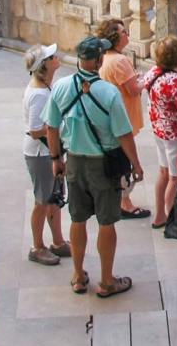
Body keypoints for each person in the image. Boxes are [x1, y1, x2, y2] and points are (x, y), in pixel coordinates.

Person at [45, 35, 143, 298]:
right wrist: (136, 164)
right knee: (106, 221)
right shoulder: (109, 92)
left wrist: (56, 159)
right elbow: (124, 133)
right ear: (100, 60)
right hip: (104, 164)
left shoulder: (61, 87)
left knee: (77, 218)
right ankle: (107, 280)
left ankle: (78, 275)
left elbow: (51, 126)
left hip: (75, 161)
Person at [137, 35, 177, 228]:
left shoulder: (153, 73)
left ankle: (160, 216)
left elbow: (142, 85)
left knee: (163, 173)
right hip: (176, 135)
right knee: (175, 177)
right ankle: (173, 219)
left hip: (159, 130)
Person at [22, 44, 72, 265]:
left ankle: (59, 241)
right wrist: (58, 126)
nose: (56, 58)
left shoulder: (44, 88)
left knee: (53, 198)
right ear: (44, 66)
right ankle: (37, 246)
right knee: (42, 201)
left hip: (47, 151)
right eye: (51, 57)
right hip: (40, 153)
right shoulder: (39, 94)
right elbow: (35, 130)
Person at [97, 17, 151, 219]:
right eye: (123, 32)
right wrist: (146, 79)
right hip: (123, 117)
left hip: (110, 117)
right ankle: (125, 202)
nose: (127, 34)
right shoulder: (120, 61)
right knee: (125, 160)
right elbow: (133, 89)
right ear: (114, 37)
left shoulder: (106, 59)